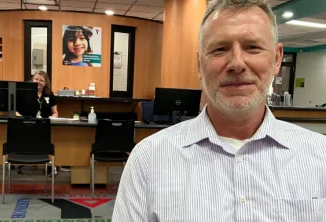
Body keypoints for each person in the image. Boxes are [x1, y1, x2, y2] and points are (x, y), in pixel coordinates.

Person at [112, 0, 326, 221]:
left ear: (276, 58)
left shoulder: (320, 156)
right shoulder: (148, 160)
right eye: (219, 49)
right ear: (199, 64)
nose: (237, 63)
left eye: (252, 47)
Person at [17, 70, 59, 176]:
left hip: (43, 125)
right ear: (32, 80)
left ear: (46, 83)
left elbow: (55, 112)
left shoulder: (49, 94)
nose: (38, 82)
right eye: (36, 79)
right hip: (25, 125)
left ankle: (50, 164)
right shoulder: (23, 92)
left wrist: (52, 118)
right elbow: (13, 110)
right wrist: (21, 118)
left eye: (41, 80)